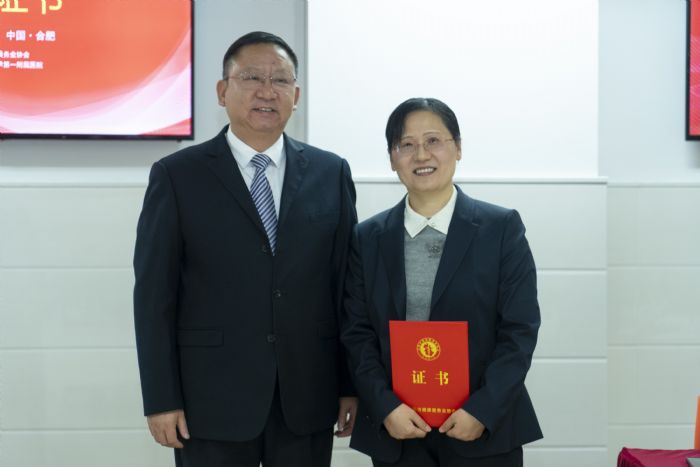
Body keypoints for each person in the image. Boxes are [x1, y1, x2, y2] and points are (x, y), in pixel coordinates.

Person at [133, 31, 358, 467]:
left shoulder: (330, 172)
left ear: (295, 96)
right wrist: (160, 398)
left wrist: (349, 384)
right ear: (222, 91)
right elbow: (154, 297)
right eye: (252, 77)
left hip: (307, 395)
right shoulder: (177, 176)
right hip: (209, 399)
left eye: (280, 80)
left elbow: (344, 287)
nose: (266, 92)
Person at [341, 97, 542, 467]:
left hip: (481, 431)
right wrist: (386, 406)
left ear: (458, 148)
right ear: (392, 158)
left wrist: (482, 410)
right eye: (406, 144)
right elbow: (357, 332)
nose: (421, 155)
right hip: (399, 432)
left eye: (433, 140)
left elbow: (519, 330)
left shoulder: (501, 229)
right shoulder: (367, 238)